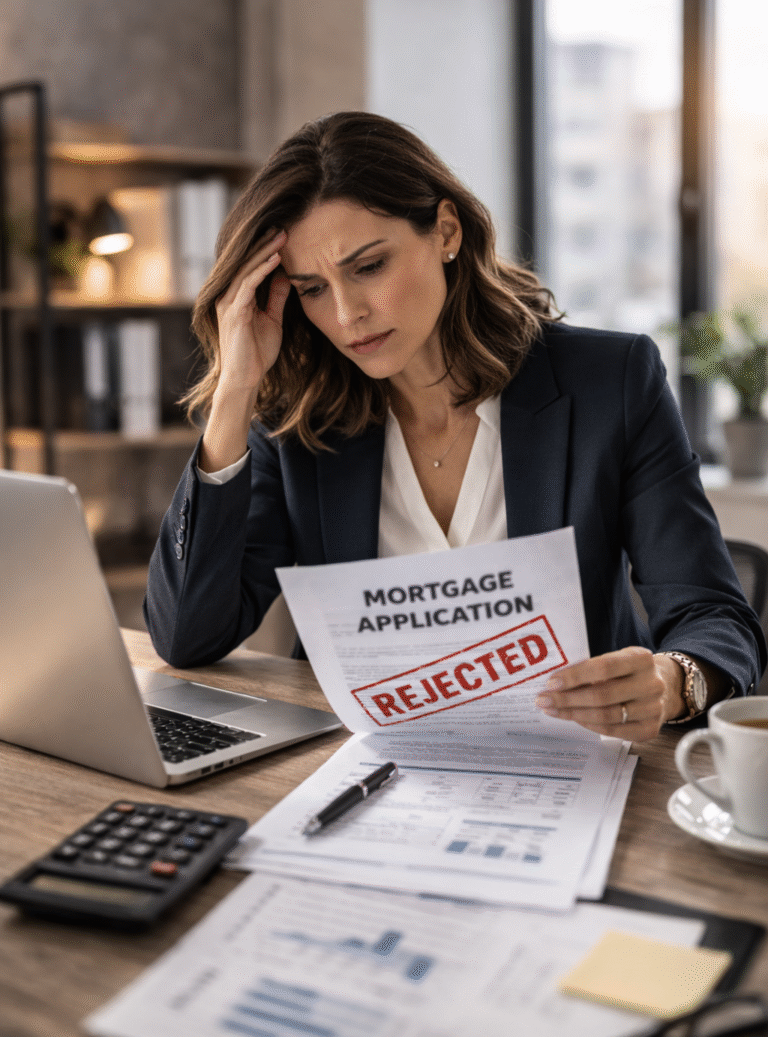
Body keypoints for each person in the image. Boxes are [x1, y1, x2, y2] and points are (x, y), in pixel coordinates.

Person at [144, 111, 766, 743]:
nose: (348, 312)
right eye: (311, 288)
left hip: (573, 768)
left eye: (369, 267)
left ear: (446, 230)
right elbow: (188, 636)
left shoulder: (611, 382)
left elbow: (715, 618)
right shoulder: (296, 420)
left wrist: (672, 679)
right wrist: (234, 394)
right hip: (365, 774)